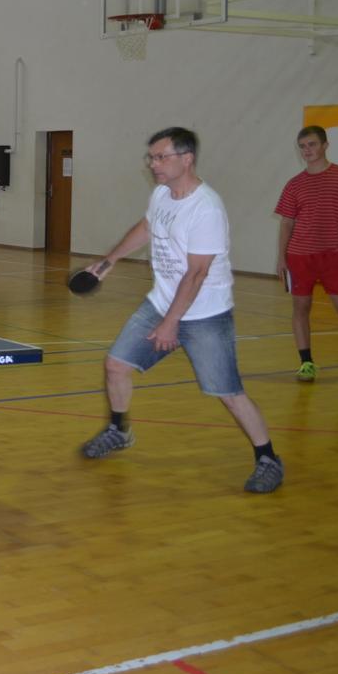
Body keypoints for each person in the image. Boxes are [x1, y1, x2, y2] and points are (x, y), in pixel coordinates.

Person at [78, 127, 283, 493]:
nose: (153, 164)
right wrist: (110, 261)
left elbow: (197, 272)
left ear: (186, 159)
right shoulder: (162, 194)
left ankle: (268, 459)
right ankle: (119, 430)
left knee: (228, 393)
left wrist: (171, 323)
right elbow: (147, 227)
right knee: (116, 366)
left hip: (205, 315)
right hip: (160, 302)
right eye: (151, 157)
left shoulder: (206, 208)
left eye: (161, 157)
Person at [273, 125, 338, 381]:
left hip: (336, 258)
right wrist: (281, 257)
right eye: (303, 146)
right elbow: (286, 223)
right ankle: (306, 363)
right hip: (300, 257)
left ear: (325, 145)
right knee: (301, 307)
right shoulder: (294, 184)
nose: (307, 150)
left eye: (312, 144)